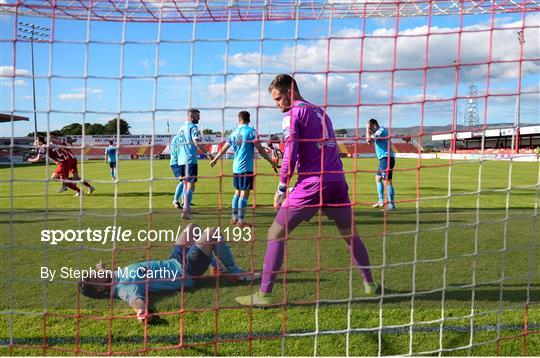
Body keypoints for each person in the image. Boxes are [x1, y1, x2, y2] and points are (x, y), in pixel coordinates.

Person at [235, 74, 378, 307]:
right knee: (351, 235)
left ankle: (264, 296)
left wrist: (282, 187)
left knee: (275, 234)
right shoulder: (321, 112)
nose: (278, 105)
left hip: (312, 184)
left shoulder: (293, 115)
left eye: (279, 99)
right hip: (336, 182)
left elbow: (290, 152)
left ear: (290, 92)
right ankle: (370, 285)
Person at [79, 223, 260, 323]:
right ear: (100, 289)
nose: (93, 274)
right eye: (92, 278)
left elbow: (104, 274)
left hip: (173, 259)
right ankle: (235, 273)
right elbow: (137, 302)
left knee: (191, 228)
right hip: (185, 271)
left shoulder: (113, 277)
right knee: (212, 233)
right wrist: (141, 313)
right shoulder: (125, 288)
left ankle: (215, 264)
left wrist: (100, 268)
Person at [210, 111, 278, 226]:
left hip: (236, 168)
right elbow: (261, 150)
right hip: (246, 167)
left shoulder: (233, 133)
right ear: (249, 119)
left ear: (239, 119)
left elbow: (225, 148)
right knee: (244, 194)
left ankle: (234, 218)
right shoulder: (251, 132)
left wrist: (215, 159)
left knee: (237, 193)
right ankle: (241, 221)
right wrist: (271, 162)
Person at [170, 109, 213, 219]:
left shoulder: (181, 128)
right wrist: (208, 154)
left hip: (181, 161)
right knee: (190, 186)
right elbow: (197, 141)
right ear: (192, 116)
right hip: (190, 160)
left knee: (185, 184)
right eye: (197, 116)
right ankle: (186, 210)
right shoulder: (193, 128)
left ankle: (184, 205)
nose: (199, 118)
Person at [28, 136, 95, 196]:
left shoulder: (43, 147)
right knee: (70, 178)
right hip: (67, 161)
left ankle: (77, 190)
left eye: (36, 140)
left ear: (40, 141)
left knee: (61, 179)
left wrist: (30, 159)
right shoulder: (51, 144)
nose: (36, 142)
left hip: (63, 163)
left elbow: (38, 159)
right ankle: (74, 185)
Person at [366, 118, 396, 211]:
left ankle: (391, 205)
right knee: (377, 178)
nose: (370, 130)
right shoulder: (380, 131)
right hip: (384, 159)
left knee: (387, 181)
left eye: (371, 128)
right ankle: (381, 201)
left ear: (374, 125)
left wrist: (367, 130)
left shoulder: (381, 131)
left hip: (386, 158)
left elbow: (368, 141)